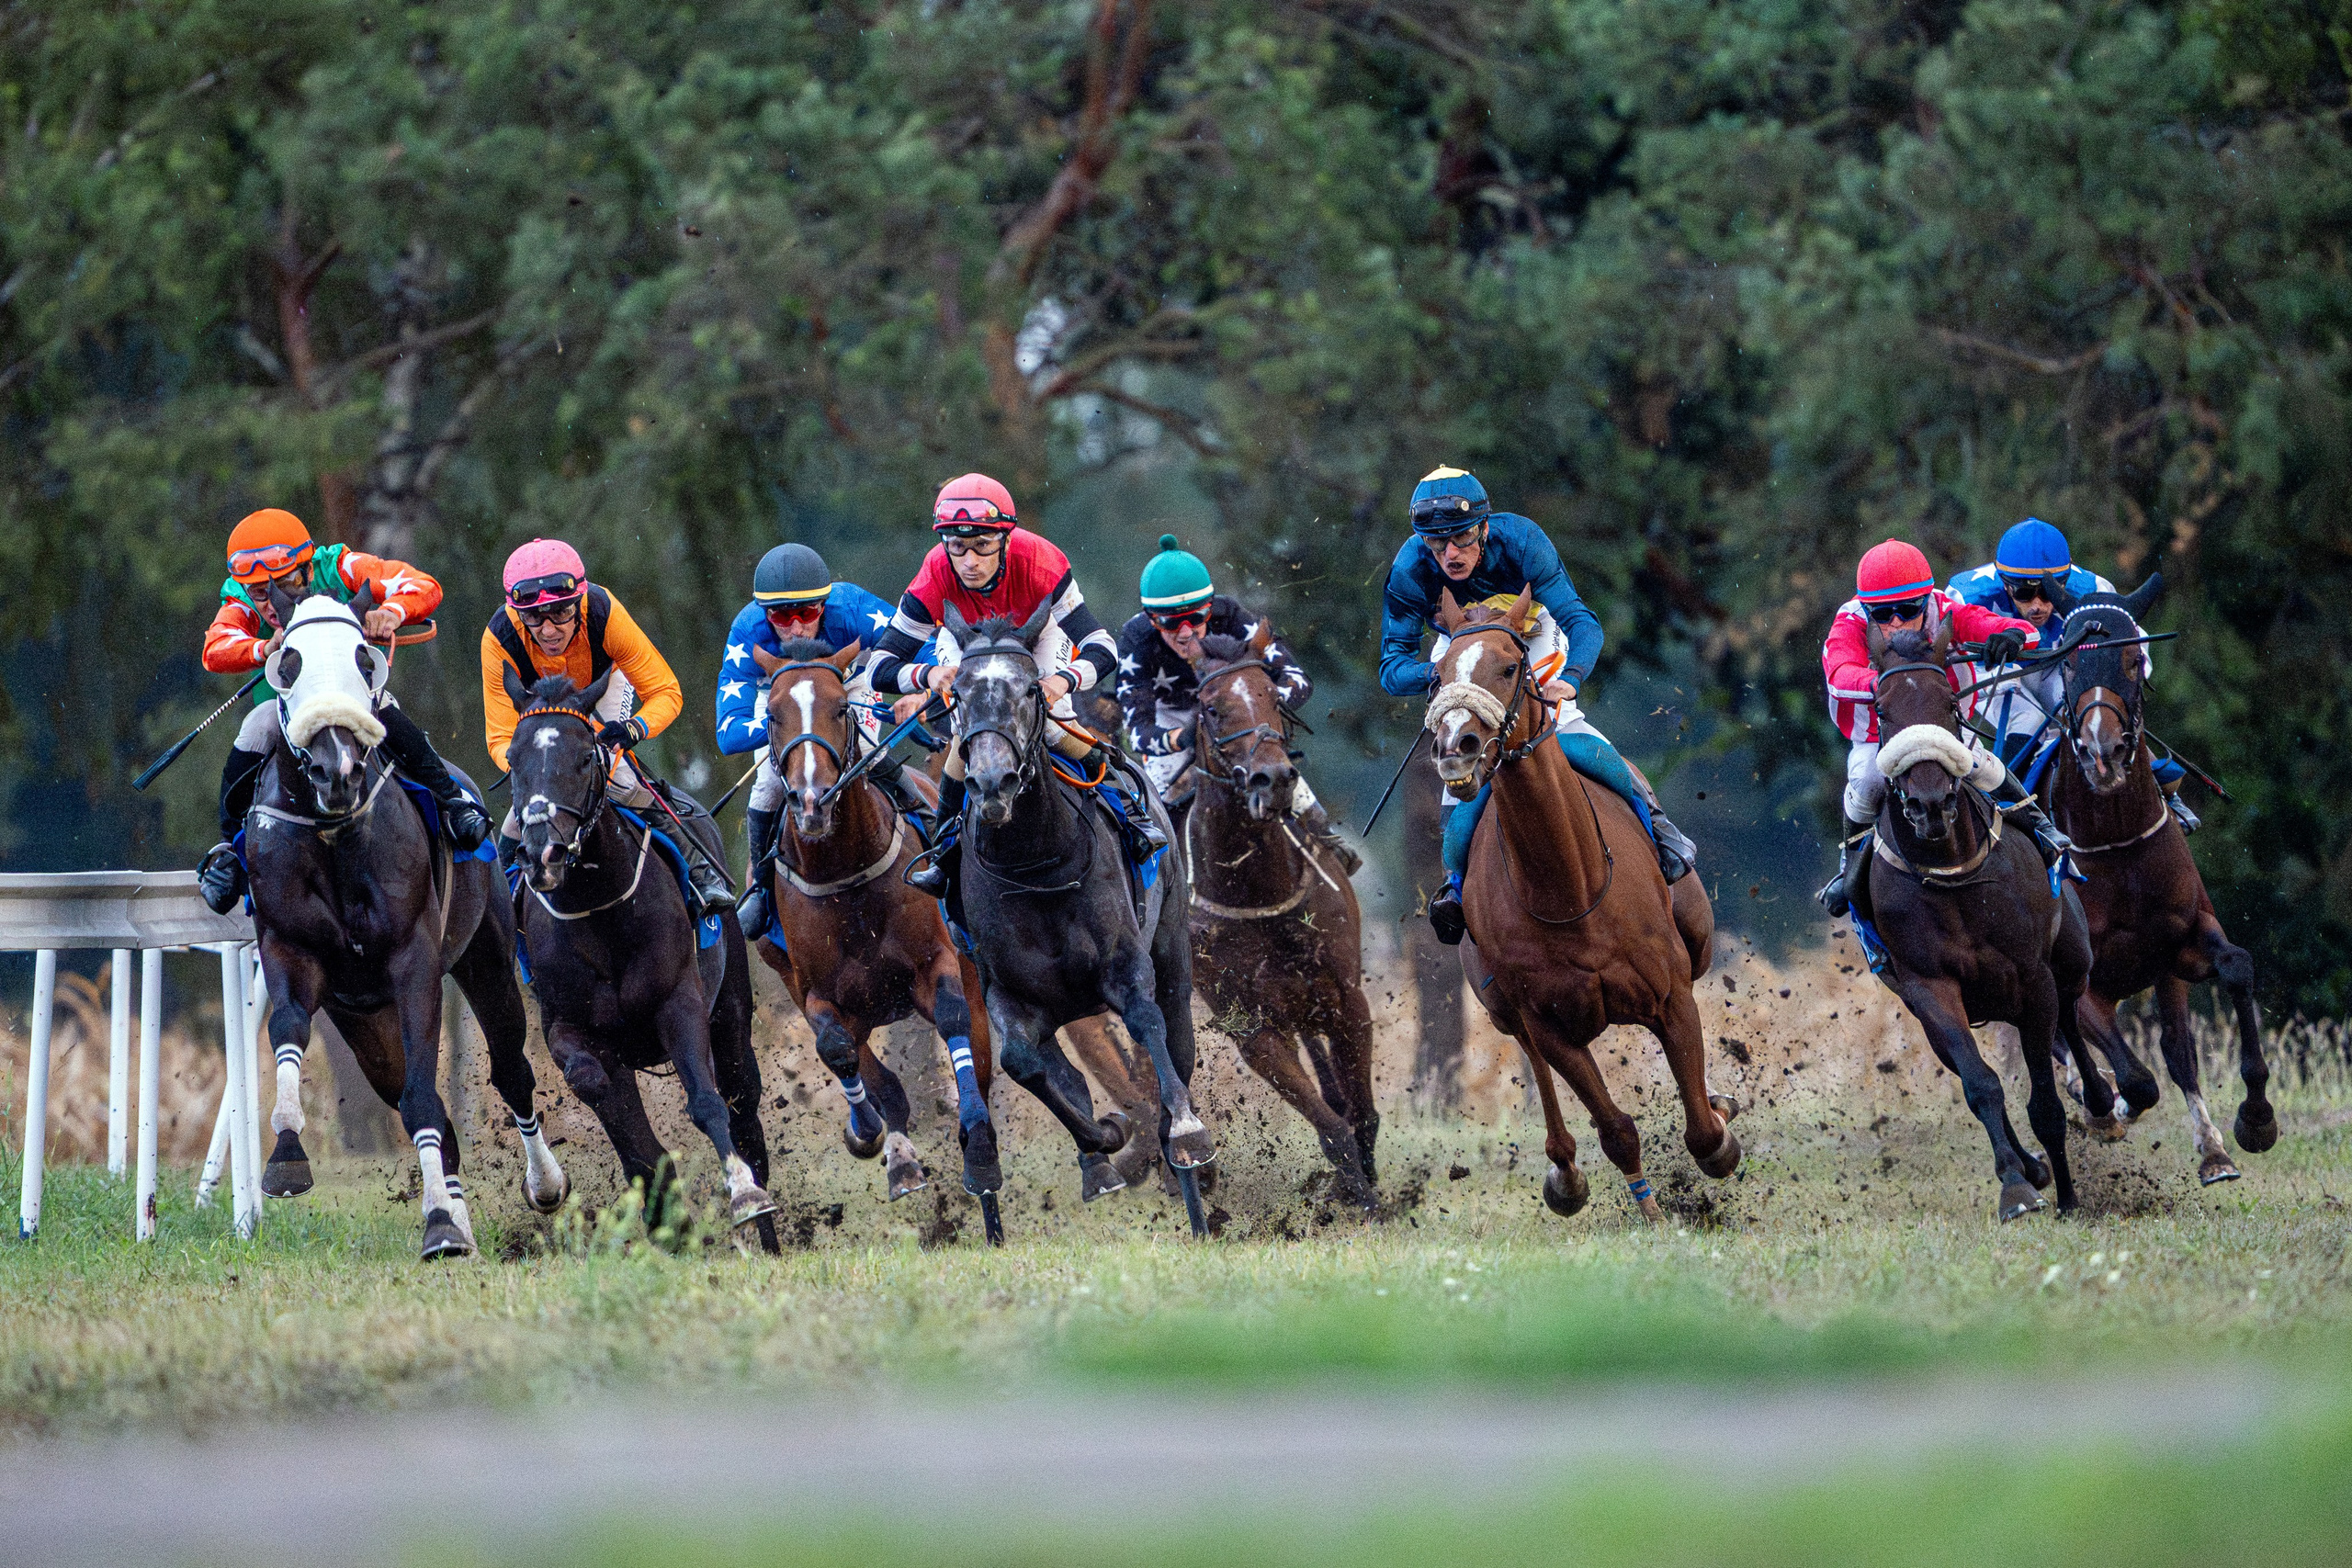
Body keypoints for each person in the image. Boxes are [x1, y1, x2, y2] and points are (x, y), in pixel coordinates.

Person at [1377, 466, 1698, 944]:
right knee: (1458, 772)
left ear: (1483, 527)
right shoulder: (1410, 568)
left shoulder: (1523, 539)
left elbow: (1582, 623)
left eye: (1462, 538)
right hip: (1460, 654)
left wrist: (1570, 680)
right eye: (1435, 543)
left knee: (1567, 731)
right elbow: (1391, 667)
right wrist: (1444, 674)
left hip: (1530, 639)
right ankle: (1457, 885)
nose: (1449, 554)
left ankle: (1659, 829)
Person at [865, 473, 1166, 900]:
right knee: (963, 733)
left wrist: (1062, 681)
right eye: (957, 546)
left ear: (1006, 538)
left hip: (1034, 635)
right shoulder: (935, 570)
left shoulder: (1043, 561)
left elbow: (1102, 647)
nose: (969, 561)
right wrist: (926, 675)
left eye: (982, 545)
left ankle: (1131, 813)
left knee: (1051, 724)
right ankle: (945, 850)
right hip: (968, 640)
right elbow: (880, 663)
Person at [193, 508, 491, 915]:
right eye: (260, 592)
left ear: (308, 565)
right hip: (291, 713)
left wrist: (392, 612)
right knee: (253, 729)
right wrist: (263, 647)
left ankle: (453, 802)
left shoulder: (341, 565)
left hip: (352, 700)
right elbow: (215, 648)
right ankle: (229, 851)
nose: (273, 601)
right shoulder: (241, 594)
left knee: (385, 709)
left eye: (288, 582)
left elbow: (421, 584)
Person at [1818, 538, 2069, 972]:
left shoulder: (1948, 609)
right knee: (1865, 781)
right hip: (1880, 737)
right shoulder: (1849, 623)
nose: (1898, 623)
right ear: (1866, 610)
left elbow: (2018, 630)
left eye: (1910, 609)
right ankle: (1850, 867)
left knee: (1983, 763)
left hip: (1944, 730)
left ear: (1927, 599)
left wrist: (2009, 636)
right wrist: (1895, 681)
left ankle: (2041, 829)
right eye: (1884, 614)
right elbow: (1839, 675)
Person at [480, 538, 735, 915]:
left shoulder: (604, 611)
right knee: (521, 815)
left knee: (621, 780)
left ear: (579, 601)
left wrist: (634, 729)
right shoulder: (498, 638)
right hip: (541, 713)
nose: (548, 630)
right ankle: (498, 915)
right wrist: (540, 768)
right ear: (516, 612)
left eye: (561, 612)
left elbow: (666, 691)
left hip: (601, 688)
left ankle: (700, 875)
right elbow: (501, 737)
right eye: (534, 617)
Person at [719, 541, 936, 940]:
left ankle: (935, 839)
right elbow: (728, 735)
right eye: (782, 616)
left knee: (867, 752)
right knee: (768, 781)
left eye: (807, 612)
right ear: (764, 613)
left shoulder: (853, 608)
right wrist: (787, 728)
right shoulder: (746, 630)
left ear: (825, 604)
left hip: (848, 687)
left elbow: (931, 647)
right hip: (783, 703)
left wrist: (919, 689)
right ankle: (762, 888)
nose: (796, 625)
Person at [1114, 534, 1362, 874]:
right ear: (1152, 620)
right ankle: (1160, 879)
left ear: (1211, 608)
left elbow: (1298, 678)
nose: (1186, 633)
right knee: (1162, 800)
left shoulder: (1232, 617)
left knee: (1274, 765)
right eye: (1171, 623)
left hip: (1236, 708)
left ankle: (1323, 835)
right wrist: (1180, 739)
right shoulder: (1135, 639)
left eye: (1196, 617)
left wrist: (1264, 703)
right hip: (1172, 717)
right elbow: (1138, 732)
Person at [1948, 516, 2198, 832]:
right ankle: (2009, 811)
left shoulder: (2093, 589)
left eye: (2048, 593)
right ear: (2003, 581)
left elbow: (2135, 649)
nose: (2038, 606)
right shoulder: (1967, 593)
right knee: (2029, 720)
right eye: (2024, 594)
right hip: (1998, 673)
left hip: (2059, 666)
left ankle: (2163, 791)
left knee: (2087, 717)